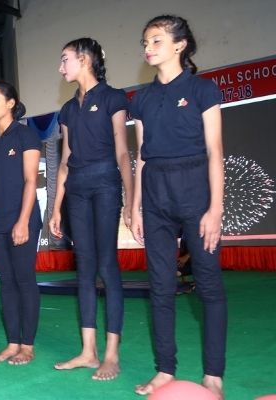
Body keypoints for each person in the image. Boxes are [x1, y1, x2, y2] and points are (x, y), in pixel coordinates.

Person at [129, 15, 226, 398]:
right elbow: (142, 156)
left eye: (156, 40)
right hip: (155, 194)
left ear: (179, 45)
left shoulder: (203, 89)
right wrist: (135, 206)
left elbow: (215, 151)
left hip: (195, 189)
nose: (148, 48)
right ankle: (165, 369)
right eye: (145, 42)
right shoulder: (142, 98)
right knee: (160, 286)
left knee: (209, 285)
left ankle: (213, 374)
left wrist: (215, 209)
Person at [50, 37, 133, 381]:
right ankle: (88, 352)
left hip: (105, 185)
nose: (61, 67)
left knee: (106, 265)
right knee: (84, 269)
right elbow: (65, 161)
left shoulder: (114, 98)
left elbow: (123, 152)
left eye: (65, 59)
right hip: (77, 191)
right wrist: (56, 208)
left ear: (84, 59)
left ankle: (111, 355)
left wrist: (131, 200)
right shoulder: (68, 110)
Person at [0, 80, 42, 365]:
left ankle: (27, 345)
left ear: (11, 103)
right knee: (6, 283)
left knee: (24, 280)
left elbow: (30, 180)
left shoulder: (26, 135)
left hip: (23, 218)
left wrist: (23, 221)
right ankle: (13, 342)